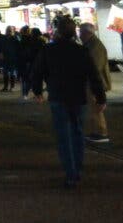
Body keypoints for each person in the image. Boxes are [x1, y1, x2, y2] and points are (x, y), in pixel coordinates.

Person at [30, 15, 107, 188]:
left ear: (57, 31)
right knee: (77, 132)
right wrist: (100, 97)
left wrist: (37, 91)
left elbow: (37, 72)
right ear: (74, 33)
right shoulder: (81, 51)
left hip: (58, 96)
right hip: (78, 97)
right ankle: (77, 168)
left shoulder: (48, 50)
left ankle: (71, 173)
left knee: (64, 135)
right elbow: (94, 76)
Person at [78, 22, 111, 143]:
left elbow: (95, 67)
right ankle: (97, 131)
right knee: (94, 107)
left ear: (87, 33)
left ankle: (101, 132)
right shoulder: (92, 44)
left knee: (96, 107)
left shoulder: (95, 46)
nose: (79, 35)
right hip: (94, 81)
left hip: (95, 82)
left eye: (81, 32)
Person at [0, 27, 20, 91]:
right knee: (5, 73)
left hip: (13, 58)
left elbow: (19, 48)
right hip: (5, 58)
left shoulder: (15, 38)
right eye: (8, 30)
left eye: (10, 31)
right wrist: (0, 55)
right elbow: (0, 48)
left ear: (12, 31)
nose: (9, 32)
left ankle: (12, 87)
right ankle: (5, 86)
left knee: (12, 73)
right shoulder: (3, 38)